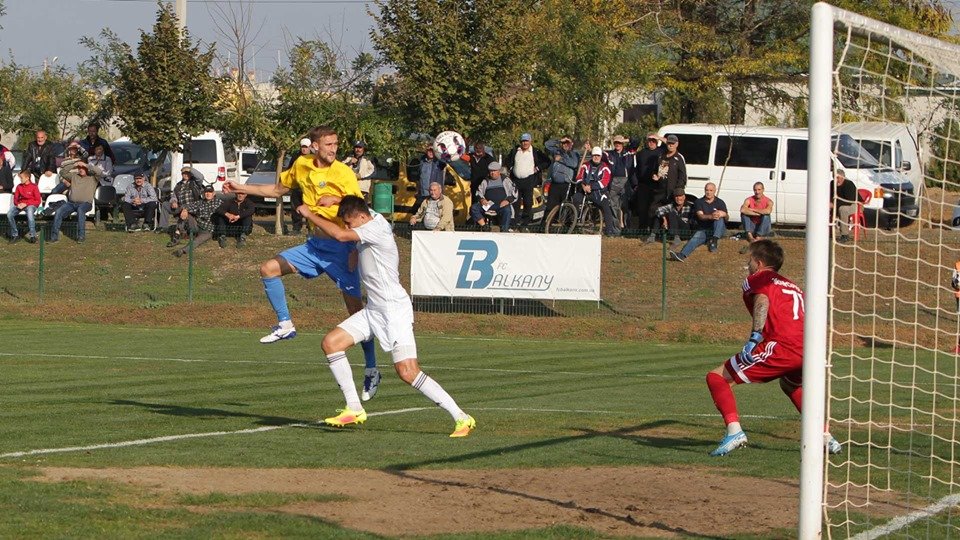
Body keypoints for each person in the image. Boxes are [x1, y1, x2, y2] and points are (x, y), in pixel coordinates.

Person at [222, 126, 383, 401]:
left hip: (342, 249)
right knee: (268, 269)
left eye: (336, 144)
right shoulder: (302, 164)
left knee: (356, 314)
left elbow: (360, 210)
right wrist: (242, 187)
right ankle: (285, 324)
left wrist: (341, 208)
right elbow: (276, 189)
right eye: (329, 144)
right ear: (315, 146)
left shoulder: (343, 172)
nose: (334, 149)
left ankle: (371, 368)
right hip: (314, 245)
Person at [298, 195, 476, 437]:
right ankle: (354, 408)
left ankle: (461, 417)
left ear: (362, 218)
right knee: (331, 343)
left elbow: (339, 236)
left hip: (394, 311)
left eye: (349, 223)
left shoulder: (375, 229)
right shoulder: (372, 217)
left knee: (408, 372)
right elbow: (360, 207)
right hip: (374, 309)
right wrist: (336, 200)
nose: (348, 228)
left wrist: (310, 214)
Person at [705, 239, 841, 456]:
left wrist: (755, 337)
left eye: (749, 260)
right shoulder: (792, 285)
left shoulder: (758, 278)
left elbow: (762, 300)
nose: (747, 265)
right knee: (790, 385)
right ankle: (824, 436)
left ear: (758, 263)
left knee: (717, 378)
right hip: (809, 347)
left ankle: (734, 431)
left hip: (783, 347)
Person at [669, 182, 727, 261]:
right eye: (707, 190)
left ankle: (714, 240)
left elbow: (726, 215)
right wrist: (711, 216)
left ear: (715, 191)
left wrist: (720, 214)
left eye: (711, 190)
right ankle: (682, 255)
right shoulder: (699, 202)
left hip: (717, 229)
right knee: (694, 239)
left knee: (719, 218)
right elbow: (700, 216)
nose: (708, 192)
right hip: (704, 229)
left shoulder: (720, 202)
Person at [50, 159, 102, 243]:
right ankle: (54, 237)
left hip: (86, 204)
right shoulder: (74, 176)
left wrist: (85, 165)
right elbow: (62, 172)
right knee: (59, 211)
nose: (81, 169)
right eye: (79, 168)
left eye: (82, 168)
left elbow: (99, 172)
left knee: (80, 210)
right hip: (71, 203)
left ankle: (81, 236)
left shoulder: (93, 178)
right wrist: (74, 165)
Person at [504, 133, 550, 229]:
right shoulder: (515, 150)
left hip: (529, 180)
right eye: (523, 141)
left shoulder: (535, 151)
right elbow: (507, 160)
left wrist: (538, 168)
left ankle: (525, 223)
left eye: (526, 141)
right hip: (516, 180)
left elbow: (547, 161)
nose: (524, 143)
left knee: (528, 202)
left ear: (530, 141)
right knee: (515, 202)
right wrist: (511, 167)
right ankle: (514, 223)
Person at [575, 147, 618, 236]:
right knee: (575, 199)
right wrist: (583, 185)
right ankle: (573, 223)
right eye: (594, 155)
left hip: (598, 192)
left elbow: (604, 182)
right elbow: (579, 177)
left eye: (598, 155)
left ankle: (609, 231)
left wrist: (591, 186)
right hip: (584, 190)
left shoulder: (605, 167)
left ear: (601, 156)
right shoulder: (585, 165)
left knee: (606, 207)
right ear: (592, 156)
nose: (596, 157)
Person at [171, 185, 220, 257]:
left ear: (214, 193)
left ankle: (182, 250)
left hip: (208, 230)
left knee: (197, 241)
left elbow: (209, 215)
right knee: (185, 213)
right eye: (206, 192)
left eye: (210, 192)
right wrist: (185, 210)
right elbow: (187, 206)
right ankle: (177, 235)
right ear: (204, 193)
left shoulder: (218, 202)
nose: (208, 194)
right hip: (196, 225)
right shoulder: (200, 202)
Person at [163, 167, 205, 246]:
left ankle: (177, 235)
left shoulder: (195, 183)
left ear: (190, 174)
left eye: (187, 173)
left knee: (187, 218)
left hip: (194, 209)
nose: (185, 175)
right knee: (165, 204)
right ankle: (163, 227)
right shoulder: (178, 185)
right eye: (183, 173)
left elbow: (201, 177)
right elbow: (174, 196)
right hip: (181, 207)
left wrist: (191, 169)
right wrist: (174, 201)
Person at [470, 161, 517, 232]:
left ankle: (504, 230)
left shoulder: (506, 180)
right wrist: (482, 199)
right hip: (489, 205)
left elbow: (515, 193)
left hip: (501, 205)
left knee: (507, 210)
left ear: (499, 171)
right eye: (491, 171)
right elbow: (478, 192)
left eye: (494, 171)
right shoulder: (485, 181)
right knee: (474, 208)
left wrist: (507, 200)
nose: (492, 173)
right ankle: (484, 226)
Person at [636, 133, 668, 236]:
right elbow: (637, 168)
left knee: (653, 208)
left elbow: (670, 144)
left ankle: (653, 231)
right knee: (642, 209)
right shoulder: (641, 153)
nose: (651, 142)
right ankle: (642, 230)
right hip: (643, 185)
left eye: (653, 141)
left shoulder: (661, 151)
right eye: (649, 140)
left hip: (656, 185)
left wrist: (658, 137)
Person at [543, 136, 581, 219]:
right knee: (550, 206)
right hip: (555, 184)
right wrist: (559, 140)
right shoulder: (557, 151)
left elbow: (574, 163)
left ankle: (565, 224)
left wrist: (561, 159)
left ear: (572, 143)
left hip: (567, 184)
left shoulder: (574, 153)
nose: (565, 144)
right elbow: (547, 144)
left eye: (568, 142)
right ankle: (546, 224)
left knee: (566, 207)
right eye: (564, 143)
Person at [606, 135, 634, 232]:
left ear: (623, 144)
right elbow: (598, 154)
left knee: (626, 205)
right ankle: (616, 229)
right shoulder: (610, 154)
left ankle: (627, 228)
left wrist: (625, 140)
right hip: (614, 181)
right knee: (614, 206)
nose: (617, 144)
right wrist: (590, 149)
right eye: (616, 142)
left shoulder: (628, 152)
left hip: (625, 181)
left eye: (619, 143)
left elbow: (636, 141)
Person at [739, 182, 774, 253]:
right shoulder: (748, 199)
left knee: (766, 216)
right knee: (744, 214)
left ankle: (758, 237)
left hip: (763, 226)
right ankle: (750, 236)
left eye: (759, 189)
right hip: (752, 225)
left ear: (763, 190)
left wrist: (753, 209)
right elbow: (742, 210)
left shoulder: (769, 201)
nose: (757, 192)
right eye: (755, 190)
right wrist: (757, 214)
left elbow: (768, 211)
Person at [286, 138, 312, 235]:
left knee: (310, 208)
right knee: (295, 207)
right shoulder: (296, 157)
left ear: (310, 147)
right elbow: (289, 169)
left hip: (309, 188)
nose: (304, 149)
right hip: (297, 186)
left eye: (306, 147)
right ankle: (296, 228)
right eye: (302, 147)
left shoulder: (314, 157)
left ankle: (311, 228)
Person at [7, 169, 40, 243]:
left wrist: (26, 203)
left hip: (31, 205)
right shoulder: (19, 186)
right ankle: (15, 234)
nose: (20, 179)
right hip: (21, 205)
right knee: (9, 214)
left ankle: (33, 236)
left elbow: (38, 200)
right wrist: (17, 204)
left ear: (27, 178)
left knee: (30, 213)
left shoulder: (34, 187)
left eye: (21, 178)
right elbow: (15, 199)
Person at [412, 146, 446, 216]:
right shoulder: (422, 161)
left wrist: (440, 150)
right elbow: (419, 177)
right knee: (416, 212)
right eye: (429, 150)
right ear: (426, 151)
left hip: (433, 195)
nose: (431, 152)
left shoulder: (438, 162)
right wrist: (417, 190)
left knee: (431, 215)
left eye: (433, 150)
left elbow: (445, 160)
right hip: (422, 194)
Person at [829, 169, 858, 242]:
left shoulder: (849, 184)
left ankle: (845, 235)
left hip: (854, 204)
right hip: (838, 205)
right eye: (834, 177)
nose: (836, 180)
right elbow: (830, 196)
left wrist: (834, 204)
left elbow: (849, 201)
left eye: (837, 177)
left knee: (843, 209)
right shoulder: (832, 184)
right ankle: (826, 232)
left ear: (843, 177)